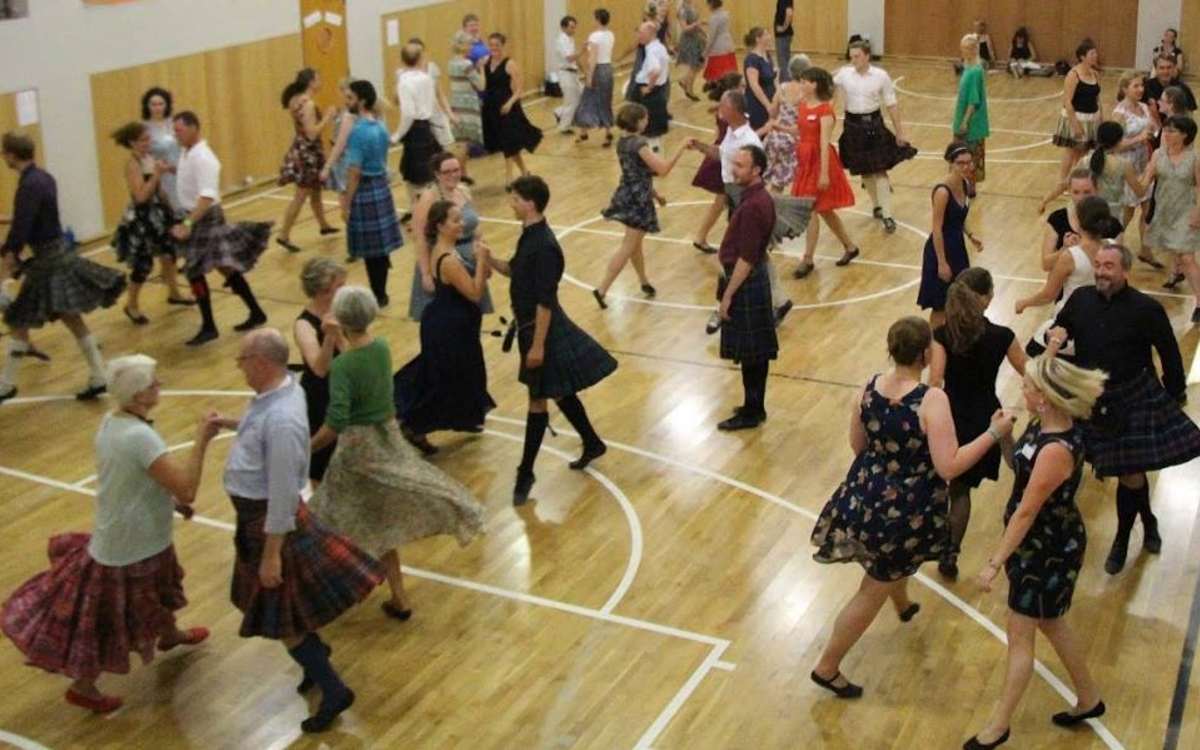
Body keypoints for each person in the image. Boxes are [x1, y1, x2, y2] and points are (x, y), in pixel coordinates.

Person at [810, 316, 1015, 699]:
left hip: (863, 495)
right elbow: (949, 466)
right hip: (903, 511)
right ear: (925, 354)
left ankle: (902, 603)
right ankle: (828, 666)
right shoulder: (930, 400)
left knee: (887, 568)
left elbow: (857, 444)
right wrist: (993, 434)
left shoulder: (868, 386)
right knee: (872, 588)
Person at [1, 355, 215, 714]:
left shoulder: (112, 422)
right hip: (131, 546)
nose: (160, 386)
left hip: (135, 534)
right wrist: (201, 439)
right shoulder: (140, 437)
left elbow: (132, 482)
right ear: (137, 396)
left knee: (157, 590)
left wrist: (170, 507)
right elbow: (187, 488)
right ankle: (83, 686)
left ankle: (169, 633)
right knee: (112, 620)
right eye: (153, 384)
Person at [214, 328, 383, 734]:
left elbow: (283, 491)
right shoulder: (281, 392)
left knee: (282, 619)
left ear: (261, 362)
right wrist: (229, 423)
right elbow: (261, 433)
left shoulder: (283, 417)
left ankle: (333, 688)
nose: (239, 367)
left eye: (241, 360)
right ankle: (315, 656)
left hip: (270, 524)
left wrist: (272, 554)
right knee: (292, 610)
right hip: (259, 520)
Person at [308, 286, 484, 621]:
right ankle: (398, 597)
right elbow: (357, 362)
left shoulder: (344, 365)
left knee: (323, 521)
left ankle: (324, 593)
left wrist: (306, 448)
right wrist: (338, 339)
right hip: (385, 439)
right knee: (379, 523)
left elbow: (336, 421)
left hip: (357, 452)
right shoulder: (380, 348)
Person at [966, 356, 1109, 750]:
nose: (1022, 390)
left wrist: (994, 563)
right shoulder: (1044, 427)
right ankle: (1089, 698)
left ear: (1044, 398)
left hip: (1046, 551)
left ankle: (999, 725)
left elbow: (1028, 508)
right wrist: (1006, 438)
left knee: (1021, 633)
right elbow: (1020, 468)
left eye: (1028, 386)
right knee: (1053, 623)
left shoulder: (1056, 450)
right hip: (1038, 544)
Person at [1048, 243, 1200, 574]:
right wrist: (1056, 337)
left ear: (1125, 271)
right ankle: (1148, 520)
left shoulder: (1146, 309)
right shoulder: (1081, 299)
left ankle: (1121, 540)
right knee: (1126, 473)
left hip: (1132, 399)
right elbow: (1062, 324)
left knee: (1129, 474)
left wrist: (1172, 396)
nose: (1101, 271)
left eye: (1109, 266)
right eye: (1099, 265)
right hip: (1090, 398)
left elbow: (1170, 354)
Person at [486, 176, 616, 505]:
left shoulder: (543, 245)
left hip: (540, 328)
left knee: (538, 399)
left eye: (514, 199)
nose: (511, 203)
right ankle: (591, 442)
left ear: (530, 203)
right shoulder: (530, 235)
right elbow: (516, 271)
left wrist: (538, 345)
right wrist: (489, 259)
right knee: (557, 389)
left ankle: (525, 473)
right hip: (536, 326)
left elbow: (545, 300)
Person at [0, 132, 124, 403]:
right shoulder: (43, 178)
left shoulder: (28, 186)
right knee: (71, 317)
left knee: (18, 320)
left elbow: (24, 227)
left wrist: (7, 257)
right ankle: (98, 374)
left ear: (11, 155)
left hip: (47, 263)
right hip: (59, 254)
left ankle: (5, 384)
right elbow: (35, 217)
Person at [929, 269, 1027, 580]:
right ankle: (951, 552)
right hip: (985, 415)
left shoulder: (943, 335)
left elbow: (934, 382)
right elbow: (1031, 373)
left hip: (949, 416)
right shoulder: (1002, 336)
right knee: (961, 489)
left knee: (938, 483)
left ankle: (928, 539)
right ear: (984, 298)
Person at [395, 201, 496, 452]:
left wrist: (481, 262)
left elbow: (480, 279)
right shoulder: (448, 258)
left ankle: (462, 417)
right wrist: (483, 261)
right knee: (444, 378)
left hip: (456, 325)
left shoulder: (451, 250)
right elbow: (474, 293)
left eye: (460, 219)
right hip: (449, 327)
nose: (461, 224)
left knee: (460, 374)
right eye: (455, 220)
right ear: (440, 226)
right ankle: (416, 426)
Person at [169, 111, 271, 347]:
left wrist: (187, 224)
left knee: (194, 270)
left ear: (194, 128)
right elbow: (190, 178)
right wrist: (170, 170)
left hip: (204, 218)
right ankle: (256, 312)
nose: (176, 135)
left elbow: (206, 196)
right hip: (197, 216)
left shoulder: (203, 157)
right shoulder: (188, 153)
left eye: (180, 130)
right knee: (225, 267)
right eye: (175, 130)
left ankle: (209, 327)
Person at [593, 103, 687, 307]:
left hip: (628, 194)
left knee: (635, 244)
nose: (647, 121)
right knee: (628, 246)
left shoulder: (622, 142)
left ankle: (643, 282)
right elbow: (662, 170)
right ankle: (602, 289)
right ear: (637, 122)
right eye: (644, 118)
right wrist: (682, 146)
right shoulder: (639, 145)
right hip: (638, 202)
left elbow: (637, 174)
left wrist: (656, 194)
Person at [715, 146, 776, 431]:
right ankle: (753, 406)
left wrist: (728, 295)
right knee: (754, 352)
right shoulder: (756, 197)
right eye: (734, 163)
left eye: (740, 165)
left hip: (746, 282)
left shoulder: (753, 206)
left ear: (757, 170)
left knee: (752, 354)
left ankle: (753, 410)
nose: (734, 169)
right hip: (752, 280)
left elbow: (747, 257)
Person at [1018, 196, 1122, 358]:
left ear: (1079, 222)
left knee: (1033, 355)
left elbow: (1048, 295)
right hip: (1105, 323)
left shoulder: (1070, 256)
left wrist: (1024, 302)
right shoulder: (1115, 247)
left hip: (1071, 325)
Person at [110, 121, 192, 324]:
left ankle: (174, 293)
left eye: (148, 138)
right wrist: (156, 175)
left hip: (159, 213)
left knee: (169, 254)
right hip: (143, 219)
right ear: (132, 142)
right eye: (144, 139)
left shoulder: (149, 158)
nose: (149, 142)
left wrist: (170, 208)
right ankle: (132, 305)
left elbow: (159, 190)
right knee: (143, 264)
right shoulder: (132, 164)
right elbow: (140, 196)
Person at [833, 40, 916, 234]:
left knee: (880, 169)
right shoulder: (843, 74)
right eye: (851, 56)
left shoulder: (881, 76)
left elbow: (891, 103)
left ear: (867, 56)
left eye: (857, 56)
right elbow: (828, 90)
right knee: (865, 171)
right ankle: (877, 205)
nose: (853, 60)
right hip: (852, 125)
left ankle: (887, 215)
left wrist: (899, 132)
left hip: (875, 124)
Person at [791, 66, 861, 277]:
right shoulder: (803, 106)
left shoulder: (825, 111)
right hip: (806, 160)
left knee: (811, 208)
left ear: (815, 84)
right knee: (822, 209)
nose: (801, 85)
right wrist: (780, 128)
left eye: (805, 81)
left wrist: (823, 173)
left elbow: (823, 143)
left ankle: (808, 259)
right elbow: (800, 131)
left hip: (820, 162)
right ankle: (850, 246)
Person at [410, 152, 493, 321]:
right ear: (437, 174)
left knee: (471, 313)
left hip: (469, 258)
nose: (453, 175)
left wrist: (484, 257)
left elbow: (475, 227)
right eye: (447, 172)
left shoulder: (464, 191)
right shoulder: (429, 197)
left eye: (456, 170)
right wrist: (426, 273)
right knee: (448, 316)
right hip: (444, 262)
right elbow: (419, 236)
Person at [342, 80, 402, 308]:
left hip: (366, 189)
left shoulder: (357, 132)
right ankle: (381, 292)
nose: (347, 102)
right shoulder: (380, 126)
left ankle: (378, 293)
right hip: (380, 186)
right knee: (380, 247)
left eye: (350, 98)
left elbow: (354, 171)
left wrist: (347, 203)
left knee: (370, 250)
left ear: (362, 101)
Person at [1140, 115, 1200, 321]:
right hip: (1165, 210)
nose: (1166, 134)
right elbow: (1145, 182)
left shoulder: (1195, 158)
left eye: (1172, 131)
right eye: (1165, 130)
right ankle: (1176, 273)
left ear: (1185, 135)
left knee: (1187, 256)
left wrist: (1198, 212)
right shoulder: (1157, 155)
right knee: (1176, 248)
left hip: (1187, 210)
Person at [917, 142, 982, 326]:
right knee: (941, 306)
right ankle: (933, 346)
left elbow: (959, 216)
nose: (966, 167)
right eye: (961, 163)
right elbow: (937, 228)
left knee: (960, 301)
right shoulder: (942, 192)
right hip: (941, 250)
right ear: (950, 163)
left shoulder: (966, 184)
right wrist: (942, 263)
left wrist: (970, 234)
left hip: (957, 248)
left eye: (969, 163)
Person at [294, 257, 346, 488]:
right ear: (323, 291)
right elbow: (319, 368)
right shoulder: (304, 324)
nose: (344, 291)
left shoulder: (342, 312)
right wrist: (330, 336)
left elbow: (351, 354)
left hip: (344, 389)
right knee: (322, 468)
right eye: (339, 287)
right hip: (320, 397)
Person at [276, 69, 338, 254]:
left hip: (301, 149)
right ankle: (284, 234)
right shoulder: (308, 104)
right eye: (318, 79)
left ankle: (323, 224)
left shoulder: (295, 100)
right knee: (301, 196)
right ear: (311, 82)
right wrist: (327, 116)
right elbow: (311, 133)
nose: (320, 83)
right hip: (308, 154)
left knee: (315, 191)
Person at [482, 33, 543, 182]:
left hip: (508, 106)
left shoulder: (509, 64)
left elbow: (519, 89)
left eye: (497, 45)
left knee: (508, 142)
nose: (494, 48)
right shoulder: (485, 62)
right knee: (507, 143)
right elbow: (483, 84)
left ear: (503, 46)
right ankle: (525, 171)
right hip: (492, 107)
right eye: (491, 45)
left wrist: (510, 103)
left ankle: (508, 178)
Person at [394, 43, 442, 212]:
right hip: (426, 128)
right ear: (420, 58)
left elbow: (408, 114)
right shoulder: (427, 78)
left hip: (415, 131)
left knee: (417, 177)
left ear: (402, 59)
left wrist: (396, 135)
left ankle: (421, 213)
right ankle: (420, 210)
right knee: (422, 174)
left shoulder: (405, 82)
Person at [1112, 71, 1157, 246]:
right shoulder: (1119, 114)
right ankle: (1112, 241)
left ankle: (1146, 249)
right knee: (1128, 212)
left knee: (1147, 210)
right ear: (1125, 88)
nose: (1140, 89)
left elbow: (1151, 128)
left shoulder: (1144, 107)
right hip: (1127, 168)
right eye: (1136, 86)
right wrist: (1139, 138)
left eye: (1142, 85)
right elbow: (1114, 145)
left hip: (1144, 165)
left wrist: (1153, 133)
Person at [1051, 42, 1102, 187]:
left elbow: (1098, 98)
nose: (1095, 56)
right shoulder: (1073, 75)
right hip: (1076, 117)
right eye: (1092, 53)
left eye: (1095, 53)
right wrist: (1075, 125)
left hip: (1091, 117)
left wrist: (1100, 118)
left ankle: (1075, 181)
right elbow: (1067, 101)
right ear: (1082, 57)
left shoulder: (1095, 74)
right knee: (1072, 151)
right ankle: (1062, 182)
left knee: (1084, 152)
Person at [762, 55, 809, 193]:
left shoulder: (782, 87)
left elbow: (772, 112)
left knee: (766, 179)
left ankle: (758, 207)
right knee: (780, 183)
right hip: (792, 138)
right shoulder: (806, 91)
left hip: (774, 137)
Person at [573, 8, 617, 148]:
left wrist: (589, 76)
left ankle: (587, 131)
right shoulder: (610, 34)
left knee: (587, 101)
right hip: (608, 69)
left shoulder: (594, 36)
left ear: (597, 20)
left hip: (598, 70)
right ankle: (592, 132)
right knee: (605, 100)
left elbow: (594, 57)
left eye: (593, 18)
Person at [319, 77, 358, 218]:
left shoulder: (348, 116)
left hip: (346, 159)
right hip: (346, 159)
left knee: (346, 202)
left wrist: (327, 165)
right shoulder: (347, 113)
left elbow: (339, 142)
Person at [448, 31, 485, 174]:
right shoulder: (467, 64)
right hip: (468, 105)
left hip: (456, 103)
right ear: (462, 45)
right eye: (470, 45)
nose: (471, 48)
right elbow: (481, 85)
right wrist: (481, 68)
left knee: (460, 142)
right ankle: (461, 173)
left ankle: (463, 173)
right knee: (465, 144)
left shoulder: (451, 63)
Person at [630, 21, 671, 150]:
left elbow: (655, 71)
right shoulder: (660, 47)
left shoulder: (652, 51)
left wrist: (649, 87)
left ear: (650, 34)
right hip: (658, 92)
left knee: (649, 133)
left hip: (650, 95)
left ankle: (651, 163)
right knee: (656, 135)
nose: (639, 36)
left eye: (641, 33)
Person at [954, 35, 990, 182]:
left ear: (973, 49)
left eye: (965, 49)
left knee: (964, 158)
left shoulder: (975, 71)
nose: (962, 52)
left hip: (971, 124)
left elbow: (973, 101)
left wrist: (965, 122)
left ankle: (967, 189)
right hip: (963, 118)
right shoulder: (968, 67)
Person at [141, 87, 182, 213]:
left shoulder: (174, 122)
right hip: (161, 176)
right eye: (153, 104)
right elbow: (143, 156)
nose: (157, 108)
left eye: (160, 104)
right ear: (147, 106)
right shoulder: (144, 127)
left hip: (179, 170)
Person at [554, 16, 583, 135]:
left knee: (580, 96)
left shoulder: (569, 39)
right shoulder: (562, 40)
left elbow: (575, 58)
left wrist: (584, 71)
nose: (573, 30)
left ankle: (559, 112)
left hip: (572, 73)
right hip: (565, 73)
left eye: (574, 27)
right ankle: (564, 127)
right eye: (571, 27)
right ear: (563, 27)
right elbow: (570, 58)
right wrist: (582, 50)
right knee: (572, 102)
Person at [743, 27, 777, 131]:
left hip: (771, 98)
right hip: (757, 103)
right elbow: (754, 85)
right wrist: (767, 105)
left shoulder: (767, 55)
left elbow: (774, 78)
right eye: (766, 35)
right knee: (759, 131)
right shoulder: (752, 59)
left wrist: (777, 100)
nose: (769, 37)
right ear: (758, 39)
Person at [675, 0, 705, 100]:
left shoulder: (693, 6)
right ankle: (689, 90)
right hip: (689, 41)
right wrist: (696, 24)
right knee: (695, 64)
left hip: (696, 39)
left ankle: (684, 82)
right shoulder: (682, 10)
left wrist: (701, 28)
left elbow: (696, 23)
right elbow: (684, 28)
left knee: (700, 64)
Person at [701, 0, 736, 84]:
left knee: (717, 76)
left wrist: (704, 53)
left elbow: (711, 38)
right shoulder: (725, 14)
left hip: (718, 49)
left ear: (711, 4)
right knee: (729, 74)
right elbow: (720, 25)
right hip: (728, 45)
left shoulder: (714, 17)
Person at [774, 0, 795, 81]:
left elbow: (789, 13)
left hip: (783, 35)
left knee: (782, 62)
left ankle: (785, 85)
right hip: (785, 35)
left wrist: (784, 28)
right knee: (785, 60)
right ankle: (787, 83)